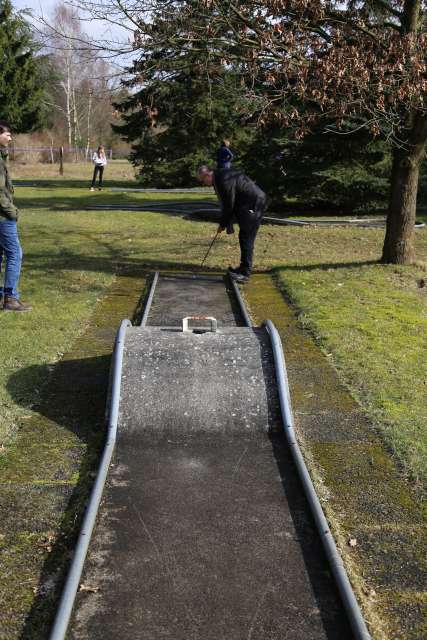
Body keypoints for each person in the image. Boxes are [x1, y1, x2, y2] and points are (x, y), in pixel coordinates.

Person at [197, 165, 268, 283]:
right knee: (244, 237)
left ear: (208, 175)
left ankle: (245, 273)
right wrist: (224, 223)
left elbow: (228, 204)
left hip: (254, 204)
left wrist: (223, 224)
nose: (203, 183)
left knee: (247, 238)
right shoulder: (220, 177)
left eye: (203, 180)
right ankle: (243, 268)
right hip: (249, 203)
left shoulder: (222, 179)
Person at [0, 121, 31, 311]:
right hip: (3, 216)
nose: (10, 138)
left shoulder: (2, 155)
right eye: (7, 135)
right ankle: (10, 298)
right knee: (15, 254)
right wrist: (12, 211)